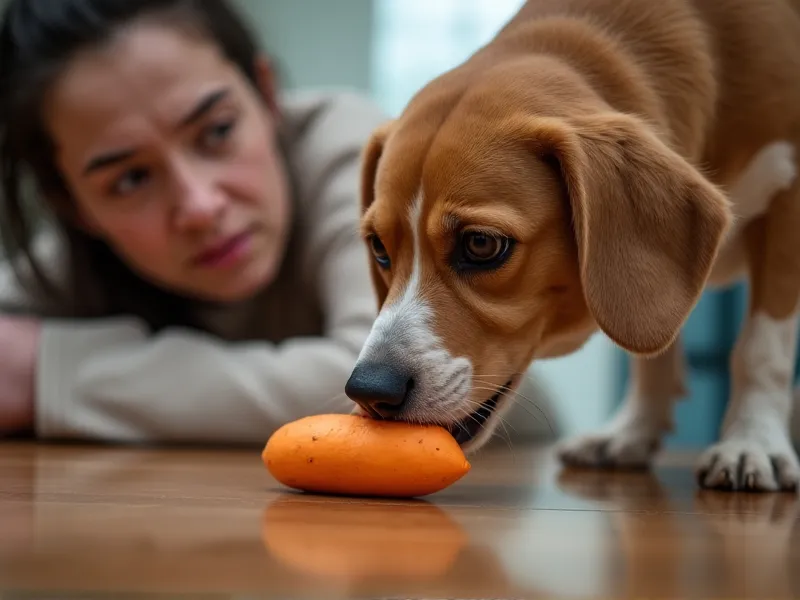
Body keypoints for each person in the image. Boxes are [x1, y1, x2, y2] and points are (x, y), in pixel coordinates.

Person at [0, 0, 388, 444]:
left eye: (217, 131)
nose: (200, 206)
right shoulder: (72, 263)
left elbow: (383, 379)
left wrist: (51, 375)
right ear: (74, 206)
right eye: (131, 179)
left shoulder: (360, 157)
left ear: (266, 94)